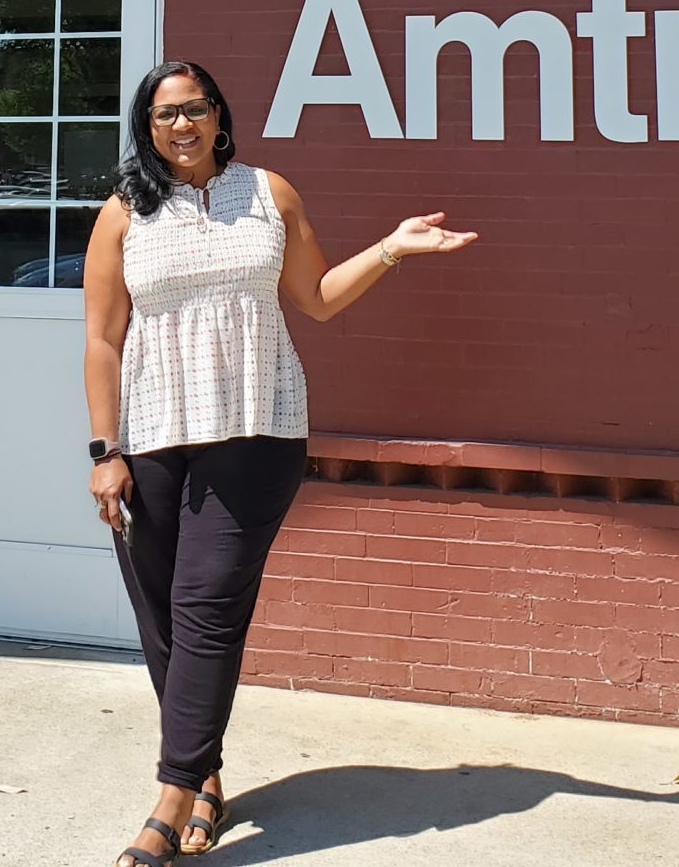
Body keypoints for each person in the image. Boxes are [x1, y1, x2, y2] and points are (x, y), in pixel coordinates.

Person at [82, 60, 476, 863]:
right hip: (151, 438)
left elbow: (320, 297)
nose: (181, 126)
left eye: (194, 110)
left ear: (220, 115)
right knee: (162, 618)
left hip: (256, 433)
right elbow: (102, 339)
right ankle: (205, 777)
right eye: (163, 116)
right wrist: (104, 450)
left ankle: (168, 799)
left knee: (203, 608)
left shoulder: (269, 193)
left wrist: (392, 248)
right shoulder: (124, 214)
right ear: (146, 128)